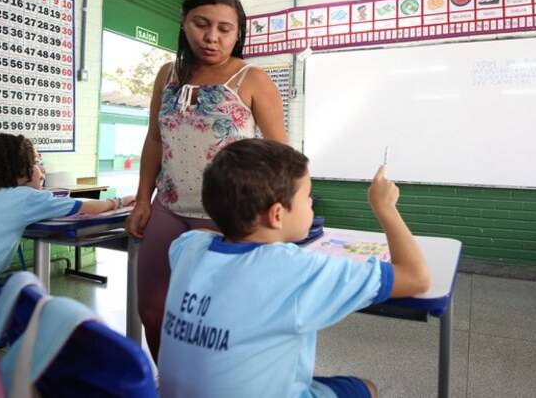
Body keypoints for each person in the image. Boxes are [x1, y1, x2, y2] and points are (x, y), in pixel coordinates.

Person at [157, 139, 430, 398]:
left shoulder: (187, 247)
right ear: (277, 215)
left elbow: (212, 236)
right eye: (307, 196)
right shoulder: (295, 270)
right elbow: (416, 277)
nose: (311, 202)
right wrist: (385, 207)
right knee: (366, 388)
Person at [125, 0, 287, 359]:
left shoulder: (252, 79)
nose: (212, 37)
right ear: (184, 23)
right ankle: (172, 385)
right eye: (201, 24)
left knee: (214, 320)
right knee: (151, 310)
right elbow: (154, 139)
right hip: (168, 206)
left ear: (238, 34)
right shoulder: (168, 74)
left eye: (225, 29)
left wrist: (275, 209)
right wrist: (143, 198)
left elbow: (281, 152)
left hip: (226, 214)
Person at [0, 133, 134, 347]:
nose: (41, 170)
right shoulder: (22, 197)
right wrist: (118, 201)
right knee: (41, 310)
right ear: (17, 171)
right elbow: (86, 207)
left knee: (13, 287)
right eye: (36, 162)